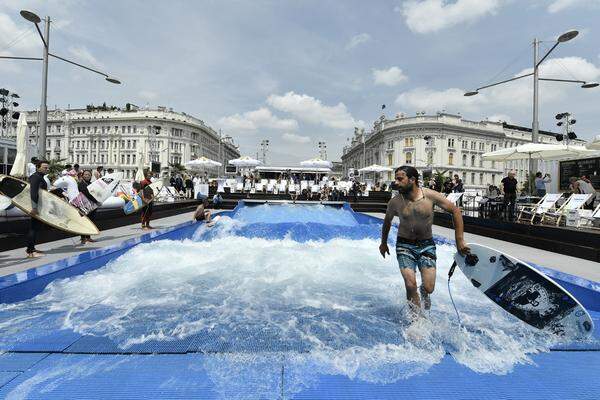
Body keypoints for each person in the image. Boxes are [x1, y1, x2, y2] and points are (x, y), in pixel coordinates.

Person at [380, 166, 469, 317]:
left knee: (428, 287)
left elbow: (455, 211)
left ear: (412, 180)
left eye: (400, 179)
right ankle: (417, 320)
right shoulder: (395, 202)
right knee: (410, 284)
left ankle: (424, 293)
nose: (396, 182)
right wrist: (383, 243)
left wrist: (459, 240)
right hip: (404, 246)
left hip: (426, 245)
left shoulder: (430, 196)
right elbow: (387, 221)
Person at [26, 159, 50, 258]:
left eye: (47, 167)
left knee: (35, 228)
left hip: (39, 206)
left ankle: (32, 248)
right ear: (37, 167)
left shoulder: (40, 177)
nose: (47, 169)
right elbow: (33, 193)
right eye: (44, 167)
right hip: (35, 206)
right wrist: (34, 207)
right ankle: (30, 251)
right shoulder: (35, 177)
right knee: (33, 228)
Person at [78, 169, 99, 244]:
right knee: (84, 222)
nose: (87, 176)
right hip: (84, 205)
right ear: (82, 175)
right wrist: (96, 201)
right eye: (85, 174)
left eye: (89, 175)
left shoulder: (90, 183)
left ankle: (88, 237)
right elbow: (87, 194)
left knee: (90, 221)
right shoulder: (81, 184)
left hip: (91, 205)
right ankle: (83, 238)